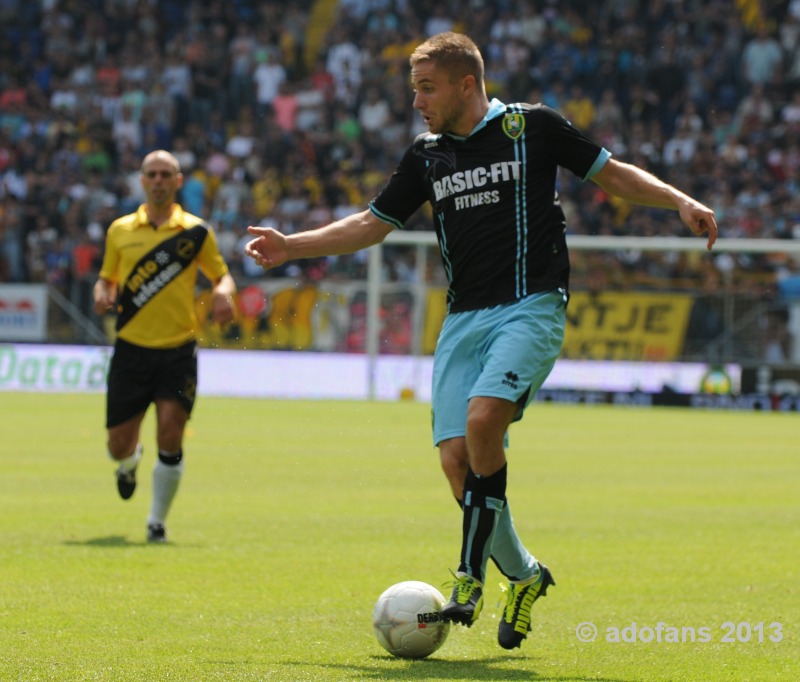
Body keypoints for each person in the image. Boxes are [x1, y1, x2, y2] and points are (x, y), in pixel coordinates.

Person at [244, 32, 718, 649]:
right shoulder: (427, 154)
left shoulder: (533, 127)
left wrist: (679, 201)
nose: (417, 101)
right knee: (455, 464)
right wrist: (291, 245)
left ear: (466, 84)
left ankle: (467, 576)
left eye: (426, 88)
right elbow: (370, 225)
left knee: (484, 421)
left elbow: (612, 174)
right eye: (415, 88)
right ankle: (523, 576)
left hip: (531, 307)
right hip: (463, 321)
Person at [93, 150, 237, 543]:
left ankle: (156, 522)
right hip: (131, 350)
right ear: (142, 181)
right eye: (151, 174)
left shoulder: (195, 232)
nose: (158, 180)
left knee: (171, 433)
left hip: (177, 350)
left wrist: (223, 294)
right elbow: (107, 279)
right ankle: (129, 463)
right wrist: (102, 291)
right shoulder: (120, 231)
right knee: (118, 444)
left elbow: (222, 277)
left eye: (165, 174)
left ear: (178, 181)